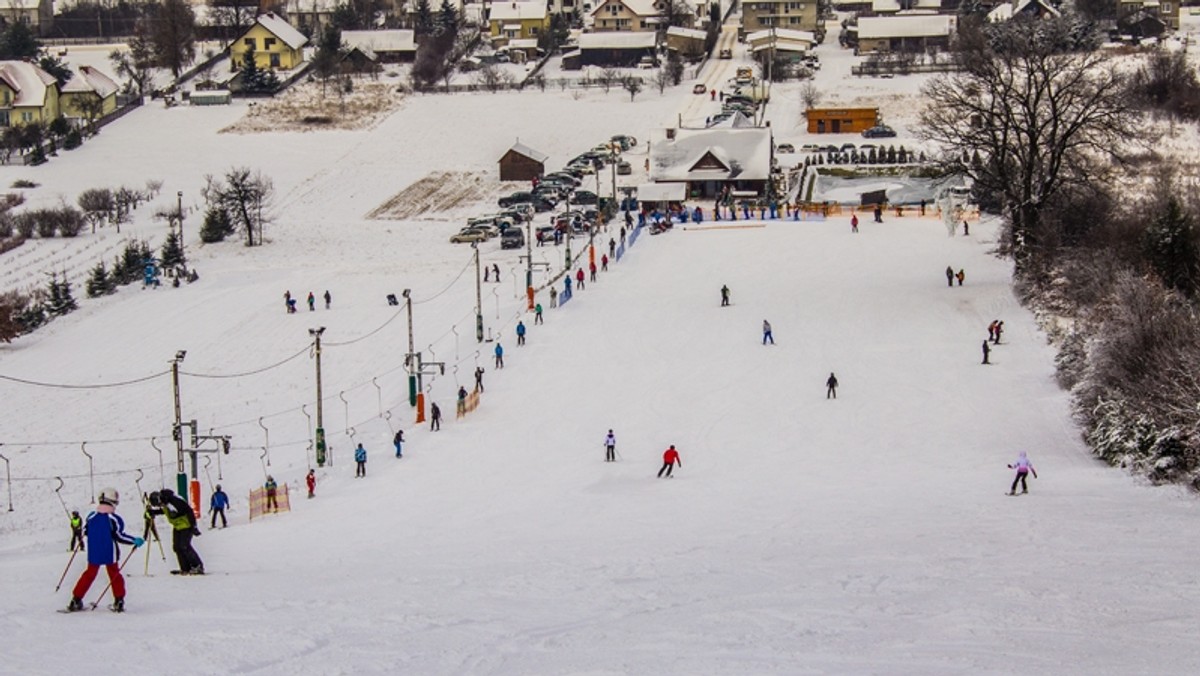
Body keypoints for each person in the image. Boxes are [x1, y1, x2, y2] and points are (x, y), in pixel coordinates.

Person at [64, 488, 143, 612]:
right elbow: (119, 536)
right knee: (114, 574)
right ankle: (119, 601)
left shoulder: (91, 516)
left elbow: (85, 531)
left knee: (89, 574)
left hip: (94, 551)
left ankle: (76, 600)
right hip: (109, 552)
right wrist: (134, 540)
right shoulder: (114, 518)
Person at [148, 488, 203, 575]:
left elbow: (188, 510)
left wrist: (194, 526)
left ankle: (197, 566)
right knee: (177, 547)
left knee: (184, 546)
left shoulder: (174, 501)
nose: (160, 506)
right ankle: (185, 568)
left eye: (159, 504)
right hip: (178, 526)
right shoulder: (165, 502)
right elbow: (167, 511)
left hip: (186, 525)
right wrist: (154, 512)